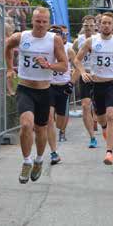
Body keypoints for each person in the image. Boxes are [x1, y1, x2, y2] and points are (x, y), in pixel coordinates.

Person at [4, 7, 68, 183]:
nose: (40, 25)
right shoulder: (21, 37)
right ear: (32, 20)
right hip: (25, 88)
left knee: (41, 130)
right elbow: (8, 46)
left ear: (48, 23)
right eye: (37, 21)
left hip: (44, 90)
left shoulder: (54, 40)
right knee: (26, 125)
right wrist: (10, 68)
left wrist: (48, 65)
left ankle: (39, 159)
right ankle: (26, 161)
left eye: (44, 22)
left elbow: (64, 66)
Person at [74, 12, 113, 166]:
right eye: (103, 23)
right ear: (99, 25)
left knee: (112, 115)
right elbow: (77, 59)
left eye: (109, 23)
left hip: (111, 84)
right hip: (95, 84)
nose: (106, 25)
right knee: (101, 119)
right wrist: (82, 72)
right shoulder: (91, 41)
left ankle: (109, 152)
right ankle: (104, 128)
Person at [46, 25, 76, 163]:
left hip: (63, 87)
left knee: (60, 122)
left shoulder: (68, 50)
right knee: (49, 118)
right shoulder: (45, 50)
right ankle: (53, 152)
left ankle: (61, 131)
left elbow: (79, 68)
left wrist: (72, 83)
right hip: (49, 86)